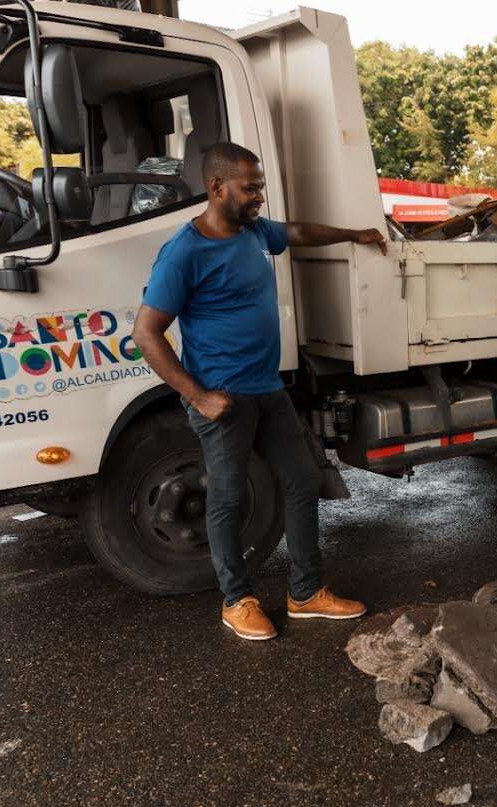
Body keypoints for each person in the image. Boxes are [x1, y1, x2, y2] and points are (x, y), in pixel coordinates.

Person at [132, 141, 388, 642]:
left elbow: (296, 231)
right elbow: (146, 334)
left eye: (261, 186)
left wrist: (354, 233)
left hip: (267, 389)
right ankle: (237, 601)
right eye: (251, 188)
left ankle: (306, 592)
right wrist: (199, 396)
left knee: (301, 481)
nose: (259, 197)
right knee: (227, 499)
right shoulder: (184, 252)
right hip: (222, 398)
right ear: (216, 187)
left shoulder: (253, 232)